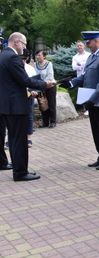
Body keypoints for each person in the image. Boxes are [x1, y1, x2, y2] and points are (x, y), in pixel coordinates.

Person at [0, 32, 54, 181]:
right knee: (19, 140)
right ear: (16, 42)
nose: (24, 48)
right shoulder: (12, 57)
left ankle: (19, 170)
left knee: (13, 139)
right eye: (23, 44)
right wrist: (45, 84)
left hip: (7, 106)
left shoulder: (2, 55)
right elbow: (25, 80)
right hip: (16, 106)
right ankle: (20, 172)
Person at [60, 31, 99, 170]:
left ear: (96, 41)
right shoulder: (91, 57)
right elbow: (84, 76)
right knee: (96, 129)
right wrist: (71, 83)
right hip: (91, 101)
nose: (86, 44)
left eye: (88, 42)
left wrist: (92, 99)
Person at [35, 50, 57, 128]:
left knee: (51, 104)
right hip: (41, 87)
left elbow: (50, 76)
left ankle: (53, 122)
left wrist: (43, 83)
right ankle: (45, 122)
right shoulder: (36, 65)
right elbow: (36, 76)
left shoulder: (49, 64)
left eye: (39, 55)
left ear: (44, 56)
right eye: (37, 55)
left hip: (50, 86)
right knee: (43, 105)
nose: (38, 57)